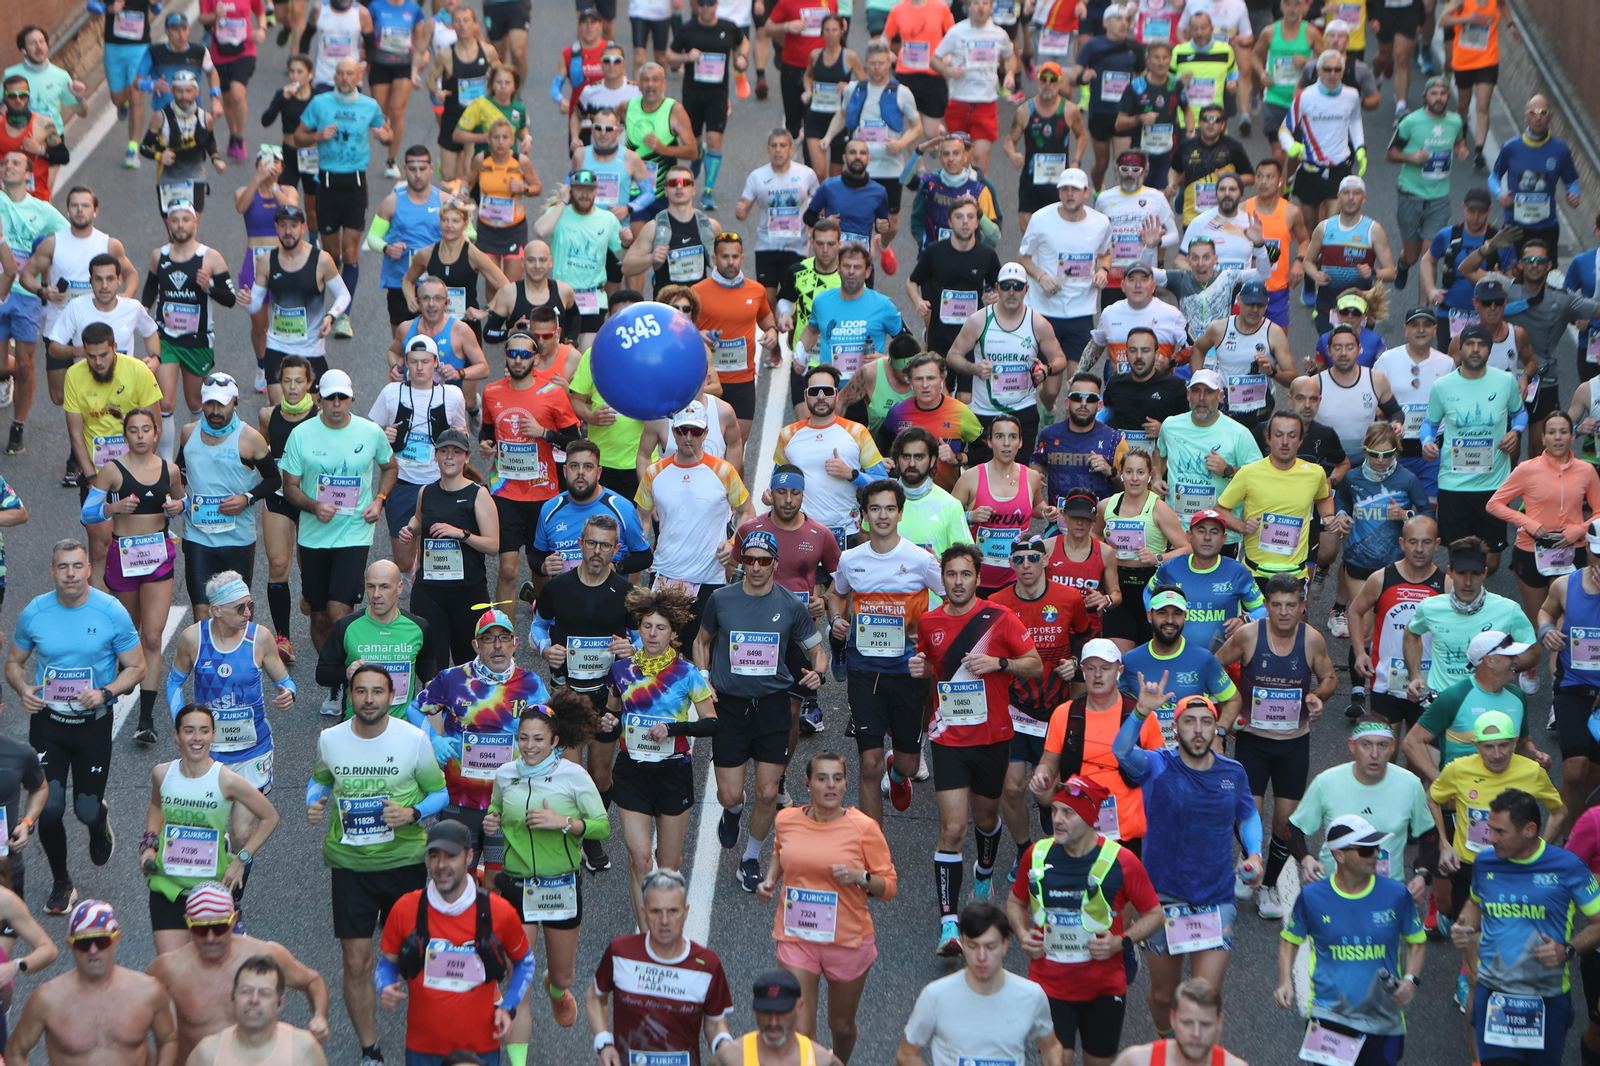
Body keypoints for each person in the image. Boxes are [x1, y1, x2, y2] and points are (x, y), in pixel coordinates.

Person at [307, 663, 449, 1066]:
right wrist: (312, 802)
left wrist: (414, 813)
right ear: (350, 696)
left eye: (377, 691)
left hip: (402, 862)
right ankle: (370, 1050)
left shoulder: (413, 739)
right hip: (350, 865)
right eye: (361, 691)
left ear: (392, 696)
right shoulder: (330, 739)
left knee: (414, 956)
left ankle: (426, 1037)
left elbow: (439, 794)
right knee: (356, 961)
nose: (369, 699)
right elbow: (320, 780)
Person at [910, 545, 1042, 951]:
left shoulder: (999, 619)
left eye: (966, 574)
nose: (958, 582)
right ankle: (950, 923)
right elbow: (935, 667)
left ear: (977, 577)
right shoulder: (929, 620)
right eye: (951, 575)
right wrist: (922, 670)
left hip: (993, 737)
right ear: (943, 579)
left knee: (986, 819)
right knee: (952, 828)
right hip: (948, 737)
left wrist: (1000, 665)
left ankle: (983, 874)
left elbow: (1034, 663)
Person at [1114, 676, 1261, 1031]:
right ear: (1175, 727)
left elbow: (1249, 813)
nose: (1198, 730)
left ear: (1216, 728)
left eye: (1206, 722)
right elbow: (1120, 751)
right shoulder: (1158, 765)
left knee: (1204, 995)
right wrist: (1139, 715)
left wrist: (1254, 853)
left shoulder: (1233, 772)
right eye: (1189, 721)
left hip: (1216, 898)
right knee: (1164, 996)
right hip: (1162, 900)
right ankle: (1168, 1044)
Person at [5, 538, 142, 915]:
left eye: (77, 566)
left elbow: (137, 667)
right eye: (62, 567)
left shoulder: (110, 611)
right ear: (52, 572)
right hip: (48, 723)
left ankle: (98, 819)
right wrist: (23, 689)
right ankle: (62, 882)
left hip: (92, 725)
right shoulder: (35, 612)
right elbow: (14, 663)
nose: (70, 574)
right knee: (48, 809)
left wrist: (106, 692)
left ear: (87, 569)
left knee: (83, 809)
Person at [1007, 774, 1163, 1066]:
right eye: (1054, 810)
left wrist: (1121, 941)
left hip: (1103, 989)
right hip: (1049, 987)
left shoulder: (1122, 861)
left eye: (1068, 812)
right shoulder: (1037, 854)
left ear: (1090, 817)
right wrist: (1022, 932)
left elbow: (1155, 915)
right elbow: (1016, 901)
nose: (1057, 819)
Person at [478, 696, 605, 1046]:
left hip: (561, 886)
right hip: (518, 886)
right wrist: (492, 821)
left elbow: (602, 827)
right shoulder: (504, 775)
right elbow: (496, 810)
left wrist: (563, 823)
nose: (529, 746)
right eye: (523, 738)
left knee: (563, 977)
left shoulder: (573, 776)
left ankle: (558, 989)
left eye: (538, 739)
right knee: (519, 984)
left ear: (554, 742)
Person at [754, 751, 894, 1063]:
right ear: (807, 784)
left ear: (845, 785)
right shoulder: (786, 819)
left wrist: (862, 877)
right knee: (801, 1032)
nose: (830, 785)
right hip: (796, 937)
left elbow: (889, 887)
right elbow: (780, 851)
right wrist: (770, 879)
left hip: (847, 941)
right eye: (822, 778)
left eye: (837, 778)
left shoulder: (864, 828)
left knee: (841, 1027)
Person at [1214, 575, 1336, 915]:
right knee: (1249, 811)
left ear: (1302, 606)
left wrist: (1317, 696)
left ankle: (1269, 887)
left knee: (1285, 822)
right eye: (1276, 605)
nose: (1284, 612)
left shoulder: (1311, 639)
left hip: (1294, 744)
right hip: (1253, 740)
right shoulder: (1249, 635)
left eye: (1291, 605)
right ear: (1266, 606)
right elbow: (1214, 666)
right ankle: (1250, 856)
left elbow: (1329, 678)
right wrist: (1228, 704)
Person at [280, 370, 400, 713]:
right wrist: (313, 505)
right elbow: (290, 486)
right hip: (315, 535)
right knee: (318, 615)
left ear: (351, 399)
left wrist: (379, 499)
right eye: (329, 398)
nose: (336, 405)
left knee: (340, 610)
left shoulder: (369, 431)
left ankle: (354, 683)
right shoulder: (301, 435)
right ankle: (333, 680)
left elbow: (389, 467)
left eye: (342, 398)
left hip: (354, 531)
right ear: (318, 398)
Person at [1453, 789, 1600, 1066]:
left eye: (1500, 831)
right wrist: (1464, 926)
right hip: (1494, 991)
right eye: (1489, 829)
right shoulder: (1485, 862)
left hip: (1547, 996)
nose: (1490, 838)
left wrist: (1568, 949)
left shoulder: (1567, 866)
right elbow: (1475, 903)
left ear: (1530, 830)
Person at [826, 479, 945, 819]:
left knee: (908, 763)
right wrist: (837, 619)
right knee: (868, 763)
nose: (883, 516)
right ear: (864, 515)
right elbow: (837, 594)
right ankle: (871, 852)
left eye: (890, 509)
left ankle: (898, 772)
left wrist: (932, 643)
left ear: (900, 513)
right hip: (864, 669)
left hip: (908, 671)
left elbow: (953, 600)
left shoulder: (921, 560)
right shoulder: (851, 559)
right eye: (875, 508)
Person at [375, 819, 535, 1066]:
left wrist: (509, 1007)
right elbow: (387, 964)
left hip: (479, 1049)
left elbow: (525, 962)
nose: (441, 865)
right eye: (434, 856)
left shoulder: (499, 912)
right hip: (422, 1048)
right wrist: (386, 985)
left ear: (469, 856)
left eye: (450, 856)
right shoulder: (405, 909)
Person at [603, 586, 718, 922]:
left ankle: (666, 924)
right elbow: (609, 719)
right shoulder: (621, 672)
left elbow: (712, 724)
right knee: (640, 860)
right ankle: (646, 938)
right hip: (632, 772)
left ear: (673, 634)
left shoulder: (686, 674)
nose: (653, 634)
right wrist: (607, 722)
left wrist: (674, 729)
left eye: (661, 628)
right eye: (647, 626)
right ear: (639, 629)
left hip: (672, 774)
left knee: (668, 866)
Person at [1274, 815, 1426, 1065]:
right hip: (1329, 1015)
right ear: (1339, 855)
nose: (1375, 854)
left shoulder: (1397, 894)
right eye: (1366, 849)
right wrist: (1284, 982)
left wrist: (1411, 980)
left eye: (1377, 847)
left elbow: (1417, 940)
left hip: (1383, 1020)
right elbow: (1290, 940)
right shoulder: (1312, 897)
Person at [141, 704, 280, 954]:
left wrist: (241, 859)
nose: (197, 738)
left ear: (213, 735)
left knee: (210, 971)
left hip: (211, 890)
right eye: (189, 731)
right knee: (171, 970)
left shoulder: (226, 779)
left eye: (204, 731)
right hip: (167, 885)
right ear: (176, 737)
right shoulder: (162, 774)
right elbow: (155, 807)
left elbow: (270, 817)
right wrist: (149, 846)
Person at [1488, 412, 1600, 693]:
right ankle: (1533, 660)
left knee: (1563, 620)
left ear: (1573, 437)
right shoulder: (1527, 468)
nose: (1558, 437)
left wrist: (1580, 530)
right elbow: (1495, 504)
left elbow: (1599, 511)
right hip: (1532, 551)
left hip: (1571, 551)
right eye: (1552, 432)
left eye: (1564, 432)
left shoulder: (1586, 470)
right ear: (1543, 438)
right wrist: (1528, 523)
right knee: (1538, 615)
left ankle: (1559, 688)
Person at [1427, 709, 1563, 939]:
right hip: (1472, 866)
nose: (1497, 754)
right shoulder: (1458, 769)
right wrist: (1444, 843)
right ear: (1477, 745)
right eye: (1489, 747)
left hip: (1518, 868)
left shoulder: (1532, 772)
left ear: (1515, 742)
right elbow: (1432, 798)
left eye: (1504, 745)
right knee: (1470, 937)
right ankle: (1471, 974)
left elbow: (1559, 812)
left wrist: (1540, 849)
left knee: (1512, 936)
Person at [15, 187, 130, 457]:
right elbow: (26, 276)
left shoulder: (108, 244)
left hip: (94, 330)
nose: (80, 210)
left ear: (95, 210)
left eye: (85, 205)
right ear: (67, 211)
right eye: (75, 205)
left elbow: (131, 274)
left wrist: (124, 300)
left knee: (91, 394)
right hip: (59, 328)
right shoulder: (54, 243)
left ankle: (78, 455)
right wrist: (44, 291)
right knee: (60, 396)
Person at [289, 56, 394, 339]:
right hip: (326, 182)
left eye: (350, 73)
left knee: (351, 252)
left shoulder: (369, 106)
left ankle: (343, 315)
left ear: (358, 77)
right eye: (340, 73)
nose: (345, 78)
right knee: (332, 255)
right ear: (334, 76)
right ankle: (323, 306)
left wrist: (384, 136)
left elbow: (387, 134)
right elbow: (297, 137)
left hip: (356, 184)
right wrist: (317, 136)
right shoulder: (320, 103)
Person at [166, 572, 293, 800]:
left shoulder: (260, 638)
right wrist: (182, 723)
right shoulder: (193, 638)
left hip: (254, 748)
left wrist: (289, 693)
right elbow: (175, 682)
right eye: (239, 608)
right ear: (217, 610)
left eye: (250, 605)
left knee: (242, 831)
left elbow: (284, 681)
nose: (248, 613)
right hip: (208, 749)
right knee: (213, 825)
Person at [590, 868, 735, 1066]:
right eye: (656, 911)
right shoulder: (620, 952)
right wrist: (604, 1043)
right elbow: (595, 997)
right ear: (644, 913)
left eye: (673, 911)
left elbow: (716, 1023)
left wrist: (724, 1046)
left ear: (685, 912)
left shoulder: (707, 965)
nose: (664, 921)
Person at [4, 900, 176, 1066]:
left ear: (117, 940)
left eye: (101, 941)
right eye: (83, 943)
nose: (93, 951)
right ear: (70, 945)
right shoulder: (47, 999)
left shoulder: (148, 991)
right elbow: (15, 1052)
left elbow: (168, 1040)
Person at [59, 325, 163, 586]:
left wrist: (145, 472)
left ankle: (136, 604)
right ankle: (101, 615)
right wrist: (92, 478)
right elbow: (75, 433)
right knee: (100, 546)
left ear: (115, 347)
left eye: (103, 355)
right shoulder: (74, 375)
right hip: (98, 472)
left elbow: (155, 428)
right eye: (91, 356)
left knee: (137, 544)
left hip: (135, 469)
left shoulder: (138, 370)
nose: (97, 362)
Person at [896, 903, 1063, 1066]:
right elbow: (905, 1055)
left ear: (1005, 944)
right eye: (973, 946)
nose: (981, 956)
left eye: (990, 946)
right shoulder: (935, 996)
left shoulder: (1031, 996)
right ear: (962, 942)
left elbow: (1051, 1047)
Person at [1292, 716, 1437, 903]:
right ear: (1352, 746)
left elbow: (1429, 833)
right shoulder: (1326, 782)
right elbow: (1292, 828)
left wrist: (1422, 875)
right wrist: (1305, 859)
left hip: (1387, 894)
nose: (1375, 754)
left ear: (1393, 746)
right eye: (1366, 745)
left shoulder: (1410, 784)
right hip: (1333, 892)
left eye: (1383, 745)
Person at [1423, 325, 1526, 576]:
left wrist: (1516, 431)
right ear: (1461, 348)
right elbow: (1430, 422)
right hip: (1453, 484)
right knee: (1459, 560)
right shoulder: (1443, 386)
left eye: (1482, 344)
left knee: (1490, 563)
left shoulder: (1504, 381)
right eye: (1470, 344)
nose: (1475, 349)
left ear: (1489, 350)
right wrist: (1426, 441)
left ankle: (1475, 596)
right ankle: (1464, 609)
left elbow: (1519, 412)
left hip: (1492, 485)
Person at [373, 337, 472, 576]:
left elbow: (463, 435)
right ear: (405, 362)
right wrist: (382, 434)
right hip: (402, 484)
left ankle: (422, 591)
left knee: (436, 553)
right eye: (414, 361)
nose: (419, 367)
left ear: (436, 362)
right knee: (404, 561)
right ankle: (412, 576)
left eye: (425, 361)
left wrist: (461, 436)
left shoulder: (452, 395)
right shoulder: (390, 393)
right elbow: (368, 435)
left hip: (438, 485)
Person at [946, 263, 1069, 450]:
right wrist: (975, 369)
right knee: (985, 474)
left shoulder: (1037, 323)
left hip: (1023, 410)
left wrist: (1046, 369)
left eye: (1018, 286)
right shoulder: (978, 320)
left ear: (1026, 290)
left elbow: (1060, 359)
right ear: (997, 288)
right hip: (984, 412)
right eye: (1005, 286)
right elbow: (953, 356)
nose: (1011, 292)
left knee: (1021, 473)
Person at [816, 40, 920, 257]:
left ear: (889, 63)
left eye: (882, 63)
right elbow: (843, 114)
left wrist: (901, 143)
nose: (877, 68)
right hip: (860, 168)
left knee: (892, 225)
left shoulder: (902, 92)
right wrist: (827, 136)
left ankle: (882, 245)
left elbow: (917, 128)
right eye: (873, 63)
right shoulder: (854, 89)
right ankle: (864, 258)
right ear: (866, 63)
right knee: (858, 219)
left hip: (891, 167)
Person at [1326, 423, 1431, 639]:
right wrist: (1341, 515)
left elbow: (1429, 515)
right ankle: (1362, 669)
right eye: (1374, 454)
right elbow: (1342, 498)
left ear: (1396, 451)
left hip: (1395, 564)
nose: (1381, 460)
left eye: (1387, 454)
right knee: (1364, 626)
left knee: (1391, 626)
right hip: (1358, 560)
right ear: (1365, 450)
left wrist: (1405, 516)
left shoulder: (1408, 479)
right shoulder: (1353, 477)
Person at [1348, 514, 1444, 733]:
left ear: (1437, 544)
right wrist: (1360, 652)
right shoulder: (1381, 578)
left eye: (1426, 542)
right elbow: (1354, 612)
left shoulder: (1445, 584)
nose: (1419, 549)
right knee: (1384, 752)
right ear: (1402, 543)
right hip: (1385, 683)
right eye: (1413, 542)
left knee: (1418, 756)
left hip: (1428, 684)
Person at [1214, 410, 1334, 584]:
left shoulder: (1315, 473)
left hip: (1296, 573)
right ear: (1268, 438)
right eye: (1278, 435)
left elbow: (1323, 498)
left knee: (1298, 612)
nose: (1285, 442)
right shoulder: (1249, 473)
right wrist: (1242, 526)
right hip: (1256, 572)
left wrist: (1328, 517)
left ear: (1300, 440)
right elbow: (1220, 510)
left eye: (1292, 436)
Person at [315, 561, 441, 720]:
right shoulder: (347, 626)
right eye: (371, 586)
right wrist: (345, 673)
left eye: (384, 587)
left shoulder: (418, 627)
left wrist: (429, 681)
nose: (376, 594)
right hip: (356, 725)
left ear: (399, 588)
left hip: (401, 726)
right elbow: (322, 674)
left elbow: (426, 662)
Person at [248, 203, 347, 402]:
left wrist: (331, 316)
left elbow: (343, 295)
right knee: (279, 409)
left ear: (303, 228)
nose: (288, 231)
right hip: (277, 346)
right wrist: (246, 301)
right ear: (276, 228)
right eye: (283, 225)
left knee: (311, 415)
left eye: (293, 225)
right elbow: (254, 304)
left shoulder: (322, 260)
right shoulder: (266, 261)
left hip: (311, 348)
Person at [1016, 167, 1111, 374]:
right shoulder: (1041, 219)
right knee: (1050, 388)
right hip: (1046, 309)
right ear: (1059, 192)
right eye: (1065, 189)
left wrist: (1103, 270)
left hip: (1081, 310)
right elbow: (1023, 257)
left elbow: (1105, 253)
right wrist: (1041, 277)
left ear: (1086, 192)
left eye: (1075, 189)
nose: (1070, 194)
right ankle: (1049, 408)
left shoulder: (1100, 223)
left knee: (1077, 380)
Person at [1155, 370, 1263, 550]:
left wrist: (1228, 470)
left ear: (1220, 396)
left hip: (1219, 534)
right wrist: (1157, 477)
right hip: (1177, 532)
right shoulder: (1170, 426)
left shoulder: (1238, 433)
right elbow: (1160, 451)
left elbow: (1259, 478)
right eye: (1196, 391)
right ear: (1189, 395)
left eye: (1209, 392)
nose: (1202, 398)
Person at [258, 355, 315, 661]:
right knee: (278, 565)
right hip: (279, 497)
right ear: (279, 383)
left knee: (309, 569)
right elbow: (264, 452)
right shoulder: (267, 414)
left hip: (309, 500)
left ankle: (309, 593)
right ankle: (283, 638)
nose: (292, 388)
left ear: (309, 383)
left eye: (298, 381)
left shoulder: (321, 416)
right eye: (286, 381)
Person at [1387, 77, 1468, 293]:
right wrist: (1412, 157)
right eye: (1434, 93)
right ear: (1425, 96)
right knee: (1412, 256)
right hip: (1410, 194)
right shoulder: (1410, 122)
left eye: (1443, 93)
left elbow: (1460, 139)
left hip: (1439, 196)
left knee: (1429, 255)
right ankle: (1403, 266)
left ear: (1448, 96)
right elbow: (1390, 154)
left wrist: (1461, 149)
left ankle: (1423, 309)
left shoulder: (1455, 121)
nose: (1439, 98)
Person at [952, 413, 1047, 594]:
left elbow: (1035, 507)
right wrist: (969, 516)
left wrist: (1046, 511)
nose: (1006, 443)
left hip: (1017, 579)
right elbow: (946, 519)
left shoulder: (1031, 477)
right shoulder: (971, 477)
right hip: (977, 579)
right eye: (999, 436)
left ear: (1020, 442)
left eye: (1012, 437)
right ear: (989, 441)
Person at [535, 171, 631, 346]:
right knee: (561, 357)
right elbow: (540, 231)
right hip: (561, 296)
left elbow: (621, 257)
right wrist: (562, 201)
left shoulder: (607, 219)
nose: (585, 195)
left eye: (589, 190)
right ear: (571, 190)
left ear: (596, 192)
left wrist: (625, 244)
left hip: (593, 297)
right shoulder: (558, 212)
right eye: (579, 189)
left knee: (586, 356)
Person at [182, 953, 331, 1066]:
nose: (254, 1000)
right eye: (246, 991)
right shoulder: (207, 1054)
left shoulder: (303, 1050)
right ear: (233, 997)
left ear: (280, 1003)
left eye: (264, 993)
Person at [907, 198, 1001, 373]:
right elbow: (911, 282)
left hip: (972, 335)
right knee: (943, 392)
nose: (965, 222)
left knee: (966, 397)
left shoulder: (987, 255)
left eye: (970, 216)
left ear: (976, 223)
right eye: (959, 217)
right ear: (950, 222)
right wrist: (918, 301)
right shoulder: (935, 251)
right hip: (940, 334)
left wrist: (998, 296)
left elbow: (1001, 287)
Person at [1189, 278, 1293, 434]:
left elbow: (1293, 379)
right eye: (1250, 304)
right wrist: (1200, 380)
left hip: (1259, 407)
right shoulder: (1220, 328)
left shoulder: (1274, 333)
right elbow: (1198, 348)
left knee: (1253, 452)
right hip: (1225, 405)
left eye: (1261, 305)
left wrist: (1272, 372)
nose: (1255, 310)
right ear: (1239, 300)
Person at [1373, 307, 1453, 500]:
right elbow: (1371, 401)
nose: (1421, 330)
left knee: (1429, 509)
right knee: (1394, 506)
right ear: (1405, 330)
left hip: (1431, 451)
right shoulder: (1387, 360)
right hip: (1395, 450)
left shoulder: (1447, 363)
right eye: (1414, 325)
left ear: (1435, 330)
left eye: (1426, 325)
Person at [1488, 94, 1582, 258]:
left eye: (1543, 112)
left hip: (1546, 227)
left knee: (1544, 275)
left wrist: (1574, 195)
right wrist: (1500, 194)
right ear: (1526, 116)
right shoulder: (1511, 147)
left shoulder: (1560, 149)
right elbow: (1493, 178)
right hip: (1514, 227)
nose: (1538, 118)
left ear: (1550, 116)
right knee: (1512, 275)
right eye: (1533, 113)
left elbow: (1571, 183)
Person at [1418, 187, 1513, 349]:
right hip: (1449, 313)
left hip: (1486, 316)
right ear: (1464, 207)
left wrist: (1499, 277)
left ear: (1490, 210)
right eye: (1471, 211)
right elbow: (1427, 260)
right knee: (1449, 364)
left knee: (1481, 362)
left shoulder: (1499, 241)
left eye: (1481, 212)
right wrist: (1430, 289)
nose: (1476, 217)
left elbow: (1511, 280)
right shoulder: (1448, 235)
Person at [931, 0, 1018, 173]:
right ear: (968, 6)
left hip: (986, 103)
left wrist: (1010, 73)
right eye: (976, 3)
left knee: (980, 158)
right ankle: (959, 197)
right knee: (958, 159)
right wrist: (948, 70)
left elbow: (1010, 57)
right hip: (959, 102)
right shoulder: (956, 32)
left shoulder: (998, 34)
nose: (981, 7)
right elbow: (934, 60)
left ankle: (978, 199)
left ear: (991, 7)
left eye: (985, 3)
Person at [1278, 53, 1364, 227]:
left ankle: (1326, 253)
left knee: (1330, 226)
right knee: (1310, 228)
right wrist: (1291, 145)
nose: (1332, 74)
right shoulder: (1305, 96)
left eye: (1337, 69)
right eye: (1327, 69)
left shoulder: (1352, 95)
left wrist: (1361, 147)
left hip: (1339, 168)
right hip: (1310, 168)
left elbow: (1355, 121)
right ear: (1318, 71)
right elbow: (1284, 129)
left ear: (1342, 72)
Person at [1302, 178, 1396, 332]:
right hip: (1329, 304)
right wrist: (1315, 274)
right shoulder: (1324, 228)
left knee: (1358, 353)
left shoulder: (1373, 230)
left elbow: (1391, 273)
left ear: (1364, 198)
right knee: (1331, 350)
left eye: (1356, 193)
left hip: (1360, 308)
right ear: (1338, 197)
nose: (1351, 197)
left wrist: (1373, 272)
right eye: (1346, 193)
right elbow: (1308, 262)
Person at [739, 128, 821, 302]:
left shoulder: (806, 174)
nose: (778, 150)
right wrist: (741, 210)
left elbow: (820, 201)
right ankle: (773, 329)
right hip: (766, 246)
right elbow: (743, 208)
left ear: (791, 149)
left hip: (796, 246)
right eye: (774, 145)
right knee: (768, 301)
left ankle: (789, 330)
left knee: (792, 300)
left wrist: (815, 221)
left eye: (782, 145)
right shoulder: (757, 177)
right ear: (768, 149)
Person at [373, 148, 449, 330]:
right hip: (400, 281)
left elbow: (469, 235)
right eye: (413, 169)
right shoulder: (391, 202)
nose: (418, 174)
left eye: (422, 169)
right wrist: (386, 248)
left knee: (439, 340)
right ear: (405, 169)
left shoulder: (445, 201)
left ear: (431, 168)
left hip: (436, 286)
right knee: (401, 342)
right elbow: (373, 237)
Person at [1010, 63, 1088, 236]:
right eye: (1044, 79)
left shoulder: (1069, 110)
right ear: (1038, 81)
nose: (1048, 84)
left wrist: (1076, 161)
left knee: (1059, 231)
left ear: (1060, 83)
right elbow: (1009, 140)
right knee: (1028, 231)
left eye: (1053, 80)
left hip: (1059, 182)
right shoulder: (1025, 111)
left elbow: (1081, 135)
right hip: (1031, 180)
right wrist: (1012, 154)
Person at [139, 70, 225, 222]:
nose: (184, 96)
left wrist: (215, 159)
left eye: (188, 91)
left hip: (195, 177)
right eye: (179, 91)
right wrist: (159, 156)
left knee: (190, 230)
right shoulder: (160, 117)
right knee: (174, 234)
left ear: (196, 92)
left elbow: (210, 141)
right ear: (172, 91)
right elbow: (144, 147)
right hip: (168, 179)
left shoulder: (206, 118)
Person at [425, 10, 497, 188]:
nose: (462, 25)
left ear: (474, 24)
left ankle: (466, 206)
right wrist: (437, 92)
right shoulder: (447, 54)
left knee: (469, 172)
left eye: (466, 21)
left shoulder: (487, 51)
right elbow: (431, 79)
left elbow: (501, 74)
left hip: (478, 119)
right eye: (457, 21)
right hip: (453, 117)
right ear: (453, 25)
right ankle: (450, 166)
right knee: (448, 176)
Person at [1105, 978, 1246, 1066]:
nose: (1196, 1034)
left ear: (1219, 1022)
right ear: (1172, 1019)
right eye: (1187, 1023)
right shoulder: (1136, 1061)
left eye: (1205, 1024)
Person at [886, 426, 974, 559]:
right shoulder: (881, 500)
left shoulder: (950, 505)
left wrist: (938, 565)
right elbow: (866, 542)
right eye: (906, 456)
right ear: (897, 459)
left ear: (932, 460)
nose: (912, 463)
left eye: (919, 457)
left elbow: (967, 559)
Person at [1242, 157, 1309, 330]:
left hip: (1276, 290)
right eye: (1259, 176)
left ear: (1280, 181)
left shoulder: (1291, 212)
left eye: (1269, 177)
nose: (1263, 182)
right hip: (1244, 288)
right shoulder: (1242, 210)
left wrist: (1299, 261)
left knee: (1277, 344)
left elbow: (1304, 240)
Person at [1100, 326, 1190, 453]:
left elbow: (1189, 429)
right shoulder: (1115, 384)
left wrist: (1164, 431)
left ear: (1156, 354)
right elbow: (1104, 419)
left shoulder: (1174, 386)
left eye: (1145, 350)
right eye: (1133, 350)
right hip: (1123, 465)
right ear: (1126, 354)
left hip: (1159, 464)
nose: (1139, 356)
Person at [1115, 47, 1187, 196]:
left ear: (1170, 61)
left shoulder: (1176, 85)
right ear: (1148, 61)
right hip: (1141, 157)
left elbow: (1187, 110)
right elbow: (1119, 124)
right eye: (1156, 58)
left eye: (1165, 58)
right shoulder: (1135, 86)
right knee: (1139, 199)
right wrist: (1140, 119)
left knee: (1162, 199)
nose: (1161, 62)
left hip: (1167, 156)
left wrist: (1191, 130)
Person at [1167, 105, 1251, 229]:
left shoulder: (1233, 148)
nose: (1210, 123)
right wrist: (1172, 183)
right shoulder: (1186, 147)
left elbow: (1251, 177)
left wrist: (1231, 178)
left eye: (1216, 120)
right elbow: (1175, 169)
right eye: (1206, 119)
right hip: (1193, 217)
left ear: (1223, 125)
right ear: (1200, 123)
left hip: (1223, 218)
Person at [1250, 0, 1319, 148]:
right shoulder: (1269, 32)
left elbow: (1326, 62)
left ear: (1303, 7)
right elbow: (1254, 56)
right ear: (1281, 6)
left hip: (1302, 100)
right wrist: (1262, 74)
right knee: (1278, 152)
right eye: (1288, 4)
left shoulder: (1311, 32)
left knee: (1297, 151)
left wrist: (1308, 62)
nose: (1292, 9)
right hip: (1274, 99)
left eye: (1297, 5)